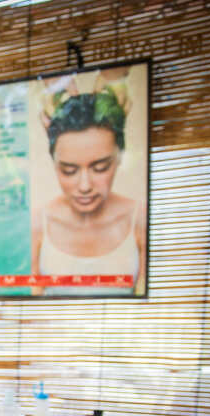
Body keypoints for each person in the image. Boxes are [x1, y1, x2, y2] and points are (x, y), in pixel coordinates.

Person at [30, 88, 146, 296]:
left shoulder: (139, 218)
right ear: (54, 163)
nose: (84, 186)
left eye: (100, 168)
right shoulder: (37, 224)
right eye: (69, 170)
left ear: (119, 158)